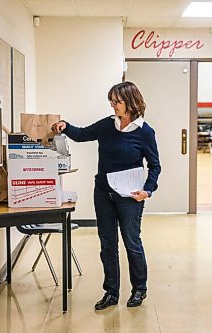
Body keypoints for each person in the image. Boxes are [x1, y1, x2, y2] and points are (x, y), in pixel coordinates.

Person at [51, 81, 161, 310]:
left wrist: (147, 190)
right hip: (103, 192)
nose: (113, 105)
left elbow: (155, 165)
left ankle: (139, 289)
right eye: (111, 101)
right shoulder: (106, 125)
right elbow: (81, 134)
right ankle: (111, 292)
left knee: (132, 242)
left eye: (117, 101)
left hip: (130, 195)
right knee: (107, 244)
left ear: (130, 102)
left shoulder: (144, 132)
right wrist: (66, 126)